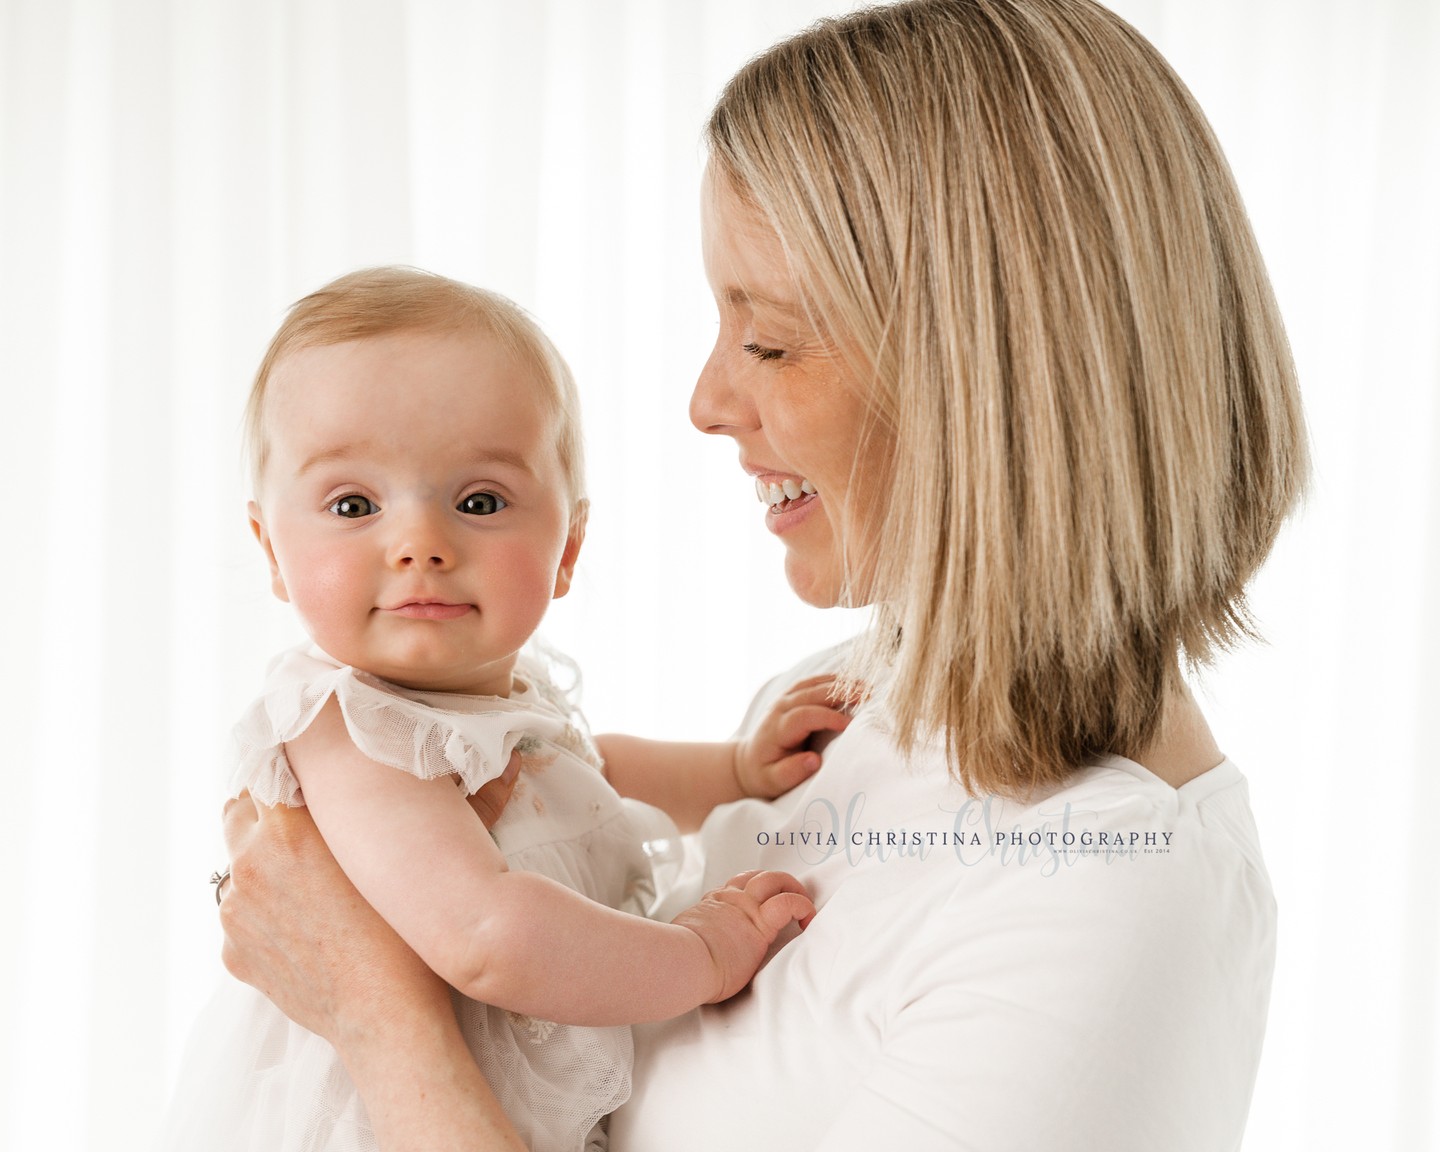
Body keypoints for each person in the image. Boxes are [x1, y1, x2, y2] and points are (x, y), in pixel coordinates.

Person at [215, 1, 1310, 1149]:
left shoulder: (1106, 898)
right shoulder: (860, 703)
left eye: (771, 341)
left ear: (987, 378)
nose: (705, 403)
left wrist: (372, 1006)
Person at [163, 266, 849, 1152]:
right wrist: (701, 957)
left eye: (479, 501)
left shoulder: (490, 709)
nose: (419, 544)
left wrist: (731, 770)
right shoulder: (344, 728)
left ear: (568, 546)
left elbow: (583, 772)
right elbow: (484, 933)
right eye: (353, 504)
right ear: (270, 548)